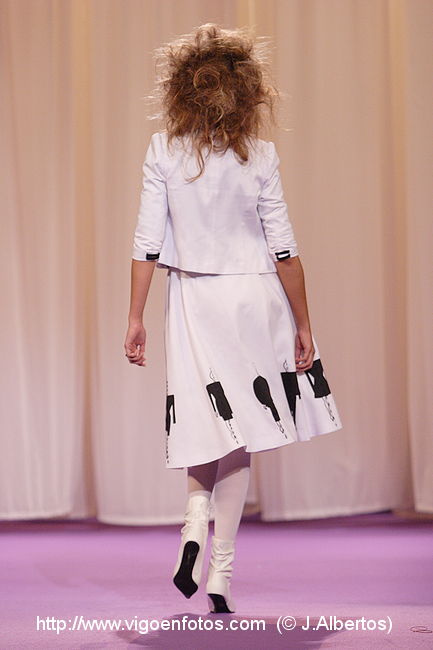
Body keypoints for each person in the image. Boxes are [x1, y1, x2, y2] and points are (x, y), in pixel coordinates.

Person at [124, 23, 343, 614]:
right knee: (241, 434)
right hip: (254, 298)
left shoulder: (164, 151)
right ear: (248, 92)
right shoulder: (260, 156)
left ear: (180, 90)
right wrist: (304, 325)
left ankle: (195, 520)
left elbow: (147, 243)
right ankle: (220, 576)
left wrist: (135, 317)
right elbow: (285, 251)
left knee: (204, 420)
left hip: (193, 298)